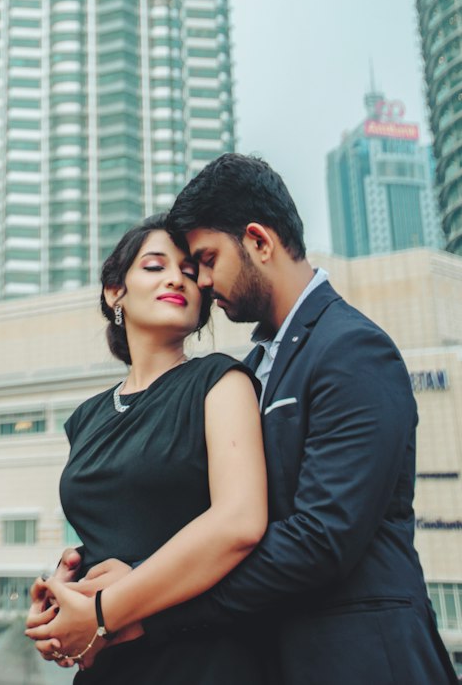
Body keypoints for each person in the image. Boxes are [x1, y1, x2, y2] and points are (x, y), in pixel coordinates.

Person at [39, 155, 456, 685]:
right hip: (265, 652)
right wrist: (72, 590)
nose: (202, 283)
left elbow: (319, 537)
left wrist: (128, 611)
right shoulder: (255, 365)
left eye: (205, 261)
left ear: (259, 241)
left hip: (357, 655)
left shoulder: (351, 348)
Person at [24, 213, 268, 683]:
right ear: (115, 291)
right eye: (155, 266)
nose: (177, 277)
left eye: (189, 271)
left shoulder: (220, 380)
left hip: (199, 657)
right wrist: (61, 598)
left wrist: (99, 612)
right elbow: (117, 527)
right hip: (107, 662)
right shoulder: (86, 417)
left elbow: (239, 523)